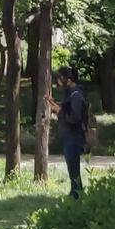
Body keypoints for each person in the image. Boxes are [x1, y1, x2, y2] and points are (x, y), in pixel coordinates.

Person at [46, 66, 88, 199]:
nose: (58, 81)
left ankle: (77, 193)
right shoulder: (70, 93)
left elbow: (74, 117)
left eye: (60, 78)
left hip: (74, 137)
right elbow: (66, 111)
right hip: (68, 135)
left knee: (73, 166)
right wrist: (55, 106)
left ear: (69, 80)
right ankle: (75, 191)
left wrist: (59, 111)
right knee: (71, 166)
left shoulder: (76, 95)